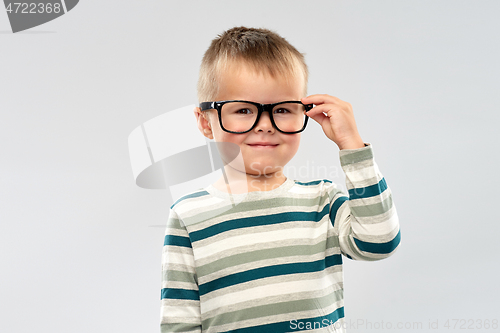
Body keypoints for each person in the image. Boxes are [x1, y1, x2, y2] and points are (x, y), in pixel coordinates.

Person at [160, 26, 400, 333]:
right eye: (244, 110)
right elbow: (179, 323)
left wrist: (351, 144)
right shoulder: (188, 216)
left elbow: (379, 243)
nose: (264, 125)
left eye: (282, 109)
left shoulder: (322, 202)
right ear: (206, 122)